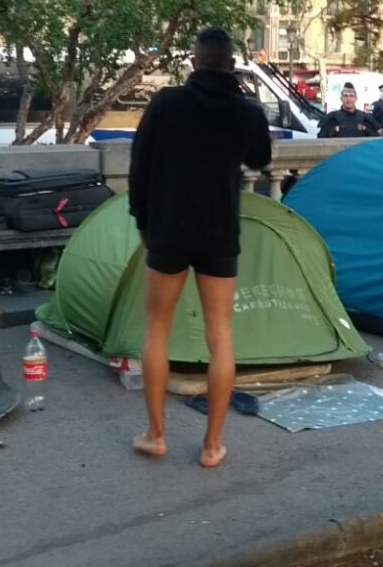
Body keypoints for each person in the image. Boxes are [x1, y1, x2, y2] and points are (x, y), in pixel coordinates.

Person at [128, 27, 273, 468]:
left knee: (157, 328)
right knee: (220, 335)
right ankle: (212, 446)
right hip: (219, 233)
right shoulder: (245, 110)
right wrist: (245, 101)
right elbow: (260, 158)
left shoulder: (166, 103)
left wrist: (143, 222)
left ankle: (156, 435)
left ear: (194, 62)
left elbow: (139, 166)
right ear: (231, 65)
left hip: (168, 230)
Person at [317, 83, 382, 138]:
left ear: (356, 98)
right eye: (345, 96)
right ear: (341, 98)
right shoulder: (332, 118)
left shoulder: (364, 118)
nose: (348, 99)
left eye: (351, 96)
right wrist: (334, 130)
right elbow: (321, 137)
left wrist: (365, 129)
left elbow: (376, 137)